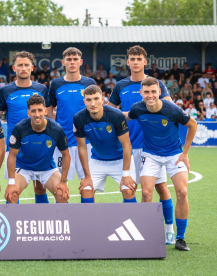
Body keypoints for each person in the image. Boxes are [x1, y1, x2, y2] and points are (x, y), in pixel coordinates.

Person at [108, 45, 175, 245]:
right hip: (128, 145)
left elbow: (170, 108)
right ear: (127, 62)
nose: (136, 62)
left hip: (151, 147)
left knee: (160, 187)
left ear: (145, 61)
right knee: (127, 188)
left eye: (139, 58)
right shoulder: (120, 85)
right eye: (132, 59)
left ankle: (169, 230)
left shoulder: (156, 84)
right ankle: (138, 229)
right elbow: (111, 112)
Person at [124, 77, 197, 251]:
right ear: (141, 93)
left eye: (153, 92)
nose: (150, 95)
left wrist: (185, 153)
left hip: (174, 154)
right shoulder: (137, 109)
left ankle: (180, 238)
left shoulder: (172, 109)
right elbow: (126, 116)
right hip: (151, 154)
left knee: (182, 191)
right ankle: (147, 235)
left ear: (159, 92)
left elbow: (193, 124)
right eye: (146, 92)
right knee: (147, 192)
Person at [0, 51, 52, 204]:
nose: (23, 68)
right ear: (14, 68)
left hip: (40, 146)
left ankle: (42, 223)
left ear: (32, 68)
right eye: (20, 65)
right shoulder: (6, 91)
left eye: (26, 65)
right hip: (15, 149)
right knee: (13, 192)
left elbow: (51, 118)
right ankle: (12, 225)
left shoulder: (42, 89)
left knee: (40, 188)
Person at [73, 85, 136, 203]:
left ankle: (130, 221)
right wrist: (86, 176)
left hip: (120, 160)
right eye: (89, 100)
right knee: (86, 190)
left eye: (96, 99)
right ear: (84, 102)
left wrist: (126, 174)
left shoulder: (115, 115)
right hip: (97, 160)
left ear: (102, 99)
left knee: (128, 190)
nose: (93, 103)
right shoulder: (78, 118)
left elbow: (126, 145)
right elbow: (81, 147)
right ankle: (89, 222)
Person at [4, 94, 70, 204]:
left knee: (62, 194)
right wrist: (11, 183)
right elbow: (12, 155)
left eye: (40, 110)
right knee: (12, 196)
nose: (37, 114)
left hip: (46, 168)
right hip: (24, 168)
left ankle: (59, 221)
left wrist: (63, 181)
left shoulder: (56, 129)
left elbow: (66, 155)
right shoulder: (20, 128)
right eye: (33, 111)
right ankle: (12, 221)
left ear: (45, 111)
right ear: (28, 113)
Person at [48, 47, 96, 183]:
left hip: (86, 141)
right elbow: (50, 109)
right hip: (63, 142)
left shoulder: (89, 83)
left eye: (75, 59)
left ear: (80, 62)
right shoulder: (56, 83)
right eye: (69, 60)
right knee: (60, 184)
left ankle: (87, 205)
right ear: (63, 62)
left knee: (87, 183)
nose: (72, 62)